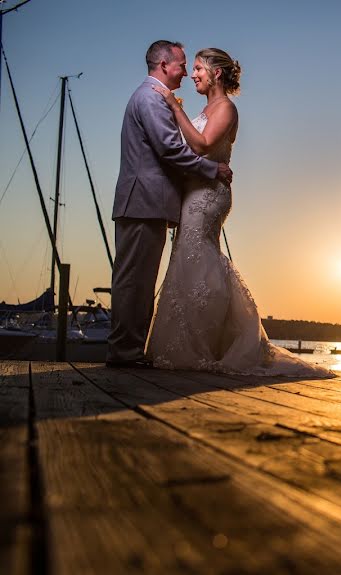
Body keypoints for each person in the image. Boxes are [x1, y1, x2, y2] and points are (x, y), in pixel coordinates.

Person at [145, 47, 333, 378]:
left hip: (208, 196)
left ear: (217, 73)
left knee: (199, 259)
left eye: (199, 68)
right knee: (188, 261)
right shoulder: (205, 108)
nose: (193, 74)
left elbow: (203, 145)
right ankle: (194, 344)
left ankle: (216, 344)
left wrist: (174, 109)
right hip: (194, 192)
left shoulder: (226, 109)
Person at [107, 40, 233, 368]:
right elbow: (170, 149)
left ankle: (131, 351)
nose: (186, 73)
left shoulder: (156, 98)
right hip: (143, 201)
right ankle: (125, 352)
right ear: (164, 65)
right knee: (134, 280)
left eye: (194, 67)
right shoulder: (151, 99)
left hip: (149, 202)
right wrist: (213, 169)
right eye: (181, 64)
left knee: (139, 279)